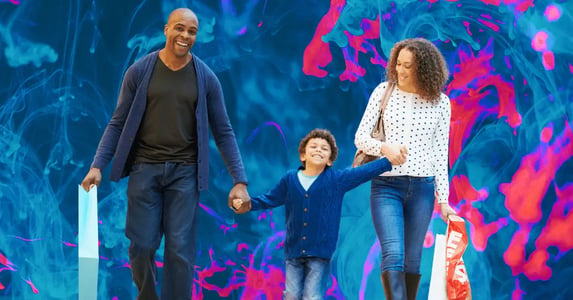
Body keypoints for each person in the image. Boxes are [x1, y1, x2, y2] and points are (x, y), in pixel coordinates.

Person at [80, 8, 251, 300]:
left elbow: (223, 131)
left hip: (185, 174)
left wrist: (240, 181)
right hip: (144, 169)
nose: (185, 36)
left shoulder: (206, 79)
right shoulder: (139, 71)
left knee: (179, 249)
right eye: (180, 29)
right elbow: (118, 122)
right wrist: (98, 165)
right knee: (141, 245)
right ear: (166, 29)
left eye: (192, 32)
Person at [232, 128, 404, 300]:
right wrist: (248, 204)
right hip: (294, 252)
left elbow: (363, 173)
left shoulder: (337, 180)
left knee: (312, 295)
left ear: (330, 160)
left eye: (324, 148)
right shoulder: (290, 179)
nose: (318, 150)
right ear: (302, 156)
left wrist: (389, 161)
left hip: (320, 253)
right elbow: (270, 199)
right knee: (291, 294)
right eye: (313, 146)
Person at [354, 38, 457, 300]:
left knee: (413, 259)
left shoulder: (441, 103)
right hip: (386, 186)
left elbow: (440, 154)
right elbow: (360, 138)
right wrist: (385, 148)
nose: (399, 70)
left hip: (423, 188)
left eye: (407, 66)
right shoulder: (383, 92)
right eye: (397, 64)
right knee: (393, 253)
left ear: (423, 69)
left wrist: (443, 200)